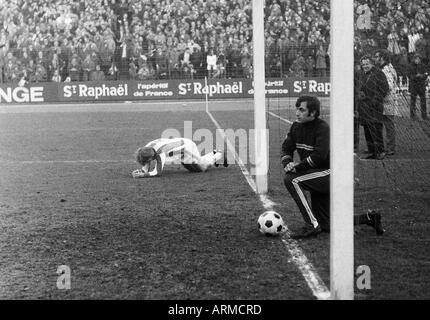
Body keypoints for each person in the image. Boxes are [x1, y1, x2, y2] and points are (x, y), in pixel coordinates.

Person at [281, 96, 385, 239]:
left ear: (313, 113)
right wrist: (288, 164)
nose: (297, 113)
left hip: (332, 174)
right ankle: (369, 218)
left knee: (291, 180)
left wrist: (297, 168)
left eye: (301, 110)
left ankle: (311, 225)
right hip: (316, 174)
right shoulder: (295, 127)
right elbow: (286, 149)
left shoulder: (322, 128)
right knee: (327, 225)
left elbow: (318, 157)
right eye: (296, 109)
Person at [132, 137, 228, 178]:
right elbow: (147, 161)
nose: (146, 161)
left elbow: (157, 172)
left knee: (202, 168)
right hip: (180, 150)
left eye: (147, 160)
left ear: (152, 156)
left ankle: (219, 153)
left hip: (188, 147)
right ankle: (213, 152)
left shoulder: (161, 153)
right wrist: (143, 171)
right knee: (193, 170)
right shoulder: (147, 148)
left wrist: (144, 175)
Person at [357, 55, 389, 160]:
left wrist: (374, 100)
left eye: (367, 64)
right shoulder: (362, 74)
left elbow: (384, 89)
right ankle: (372, 151)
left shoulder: (379, 73)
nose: (365, 66)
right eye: (363, 64)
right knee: (367, 129)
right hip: (364, 107)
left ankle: (380, 151)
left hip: (375, 107)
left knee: (376, 128)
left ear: (372, 63)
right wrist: (360, 93)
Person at [375, 50, 399, 155]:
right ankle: (386, 147)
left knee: (389, 126)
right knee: (385, 124)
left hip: (388, 100)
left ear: (382, 57)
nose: (375, 58)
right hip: (387, 100)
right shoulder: (387, 67)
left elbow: (388, 86)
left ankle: (390, 148)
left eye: (377, 56)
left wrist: (378, 93)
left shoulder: (386, 69)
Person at [408, 53, 428, 120]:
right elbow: (410, 76)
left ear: (420, 59)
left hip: (421, 86)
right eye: (416, 59)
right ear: (414, 59)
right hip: (414, 86)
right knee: (413, 101)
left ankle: (424, 115)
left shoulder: (423, 66)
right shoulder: (410, 66)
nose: (417, 60)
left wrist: (421, 76)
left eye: (418, 59)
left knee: (423, 101)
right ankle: (412, 116)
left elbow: (426, 75)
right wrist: (416, 76)